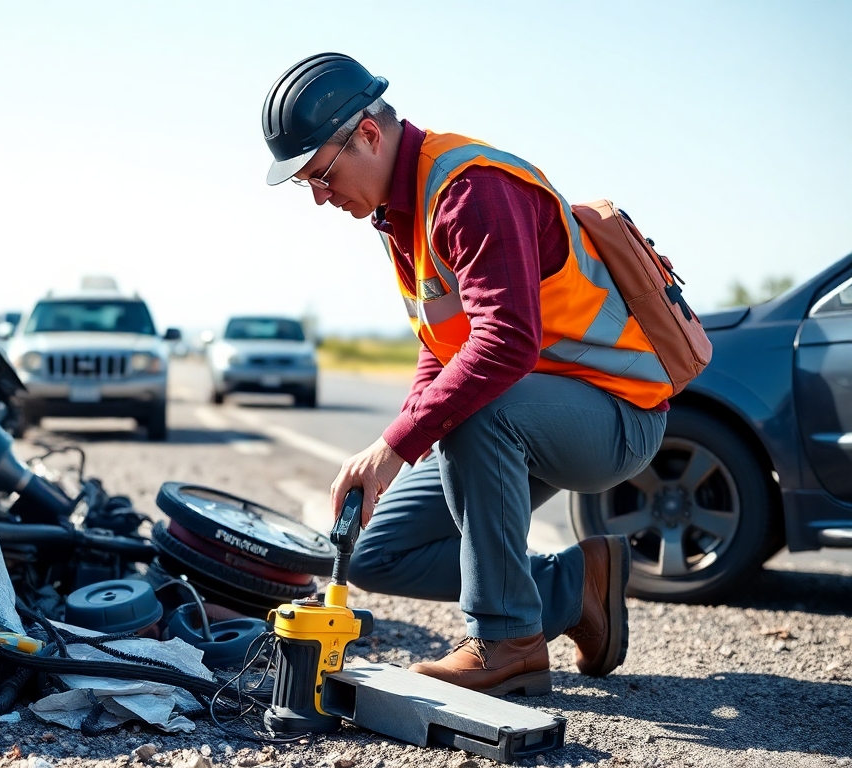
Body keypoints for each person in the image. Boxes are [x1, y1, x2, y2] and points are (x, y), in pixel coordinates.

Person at [261, 53, 670, 696]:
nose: (318, 195)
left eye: (320, 173)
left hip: (615, 413)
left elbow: (504, 345)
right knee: (379, 552)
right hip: (525, 418)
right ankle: (576, 585)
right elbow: (443, 344)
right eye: (304, 183)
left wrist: (395, 446)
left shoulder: (471, 189)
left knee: (478, 410)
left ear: (368, 133)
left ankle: (507, 637)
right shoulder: (400, 214)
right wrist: (389, 450)